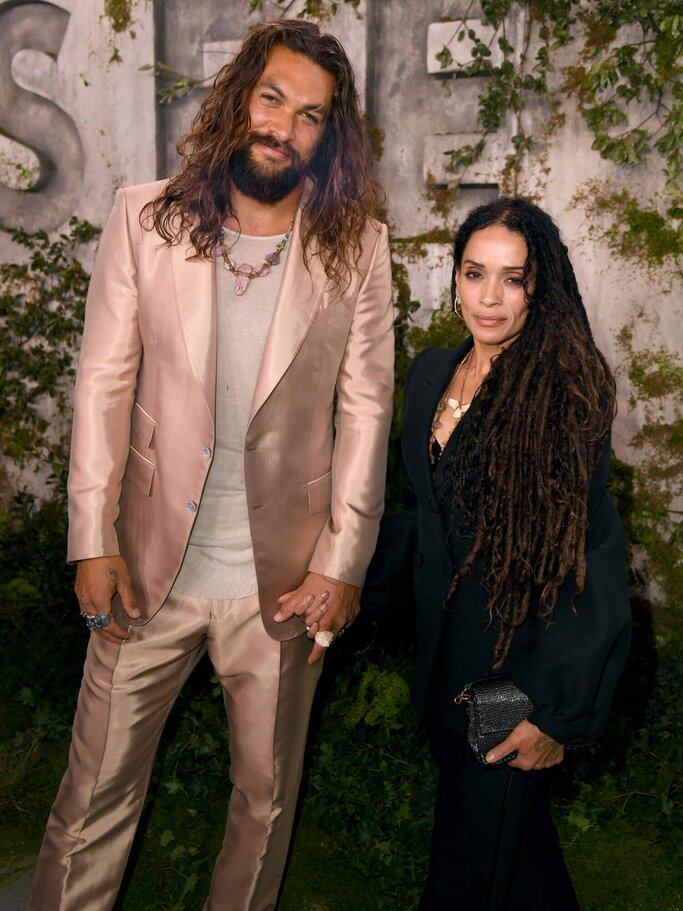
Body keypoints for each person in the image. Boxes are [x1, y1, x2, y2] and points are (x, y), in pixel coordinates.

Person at [29, 18, 394, 911]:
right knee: (88, 806)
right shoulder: (143, 218)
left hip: (280, 591)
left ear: (328, 136)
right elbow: (104, 384)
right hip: (144, 572)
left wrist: (342, 565)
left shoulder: (356, 248)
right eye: (271, 98)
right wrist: (90, 538)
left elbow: (366, 413)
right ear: (238, 100)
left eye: (310, 115)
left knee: (264, 808)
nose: (283, 125)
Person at [399, 198, 631, 909]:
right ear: (456, 278)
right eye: (475, 274)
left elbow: (586, 556)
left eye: (512, 278)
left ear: (541, 285)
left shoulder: (559, 396)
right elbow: (423, 522)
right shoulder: (431, 373)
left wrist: (551, 709)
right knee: (515, 851)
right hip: (442, 662)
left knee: (466, 867)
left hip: (511, 678)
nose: (490, 298)